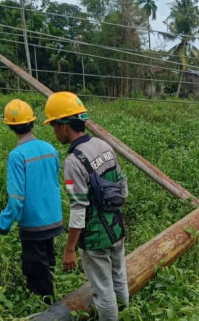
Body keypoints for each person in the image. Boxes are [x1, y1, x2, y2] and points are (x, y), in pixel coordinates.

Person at [44, 91, 129, 321]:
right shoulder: (103, 144)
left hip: (95, 238)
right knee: (119, 276)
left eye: (54, 126)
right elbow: (122, 182)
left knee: (103, 290)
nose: (54, 132)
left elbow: (78, 207)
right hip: (117, 226)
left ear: (65, 126)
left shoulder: (73, 161)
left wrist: (70, 248)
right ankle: (128, 314)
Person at [0, 99, 63, 304]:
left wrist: (2, 223)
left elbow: (17, 198)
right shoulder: (50, 148)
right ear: (32, 122)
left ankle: (47, 309)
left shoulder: (17, 155)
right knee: (47, 262)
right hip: (53, 218)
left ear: (11, 126)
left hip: (34, 223)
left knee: (35, 268)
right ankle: (51, 296)